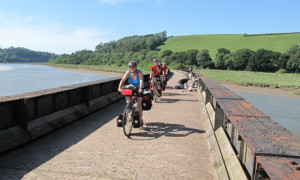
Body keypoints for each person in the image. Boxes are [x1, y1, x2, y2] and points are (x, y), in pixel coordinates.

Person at [118, 61, 144, 125]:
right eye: (130, 67)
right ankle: (128, 109)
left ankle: (140, 117)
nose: (132, 68)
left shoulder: (139, 72)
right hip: (131, 88)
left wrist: (140, 88)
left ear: (136, 67)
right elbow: (123, 80)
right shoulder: (128, 72)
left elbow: (141, 80)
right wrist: (119, 88)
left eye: (133, 67)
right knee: (128, 102)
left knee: (138, 104)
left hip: (139, 89)